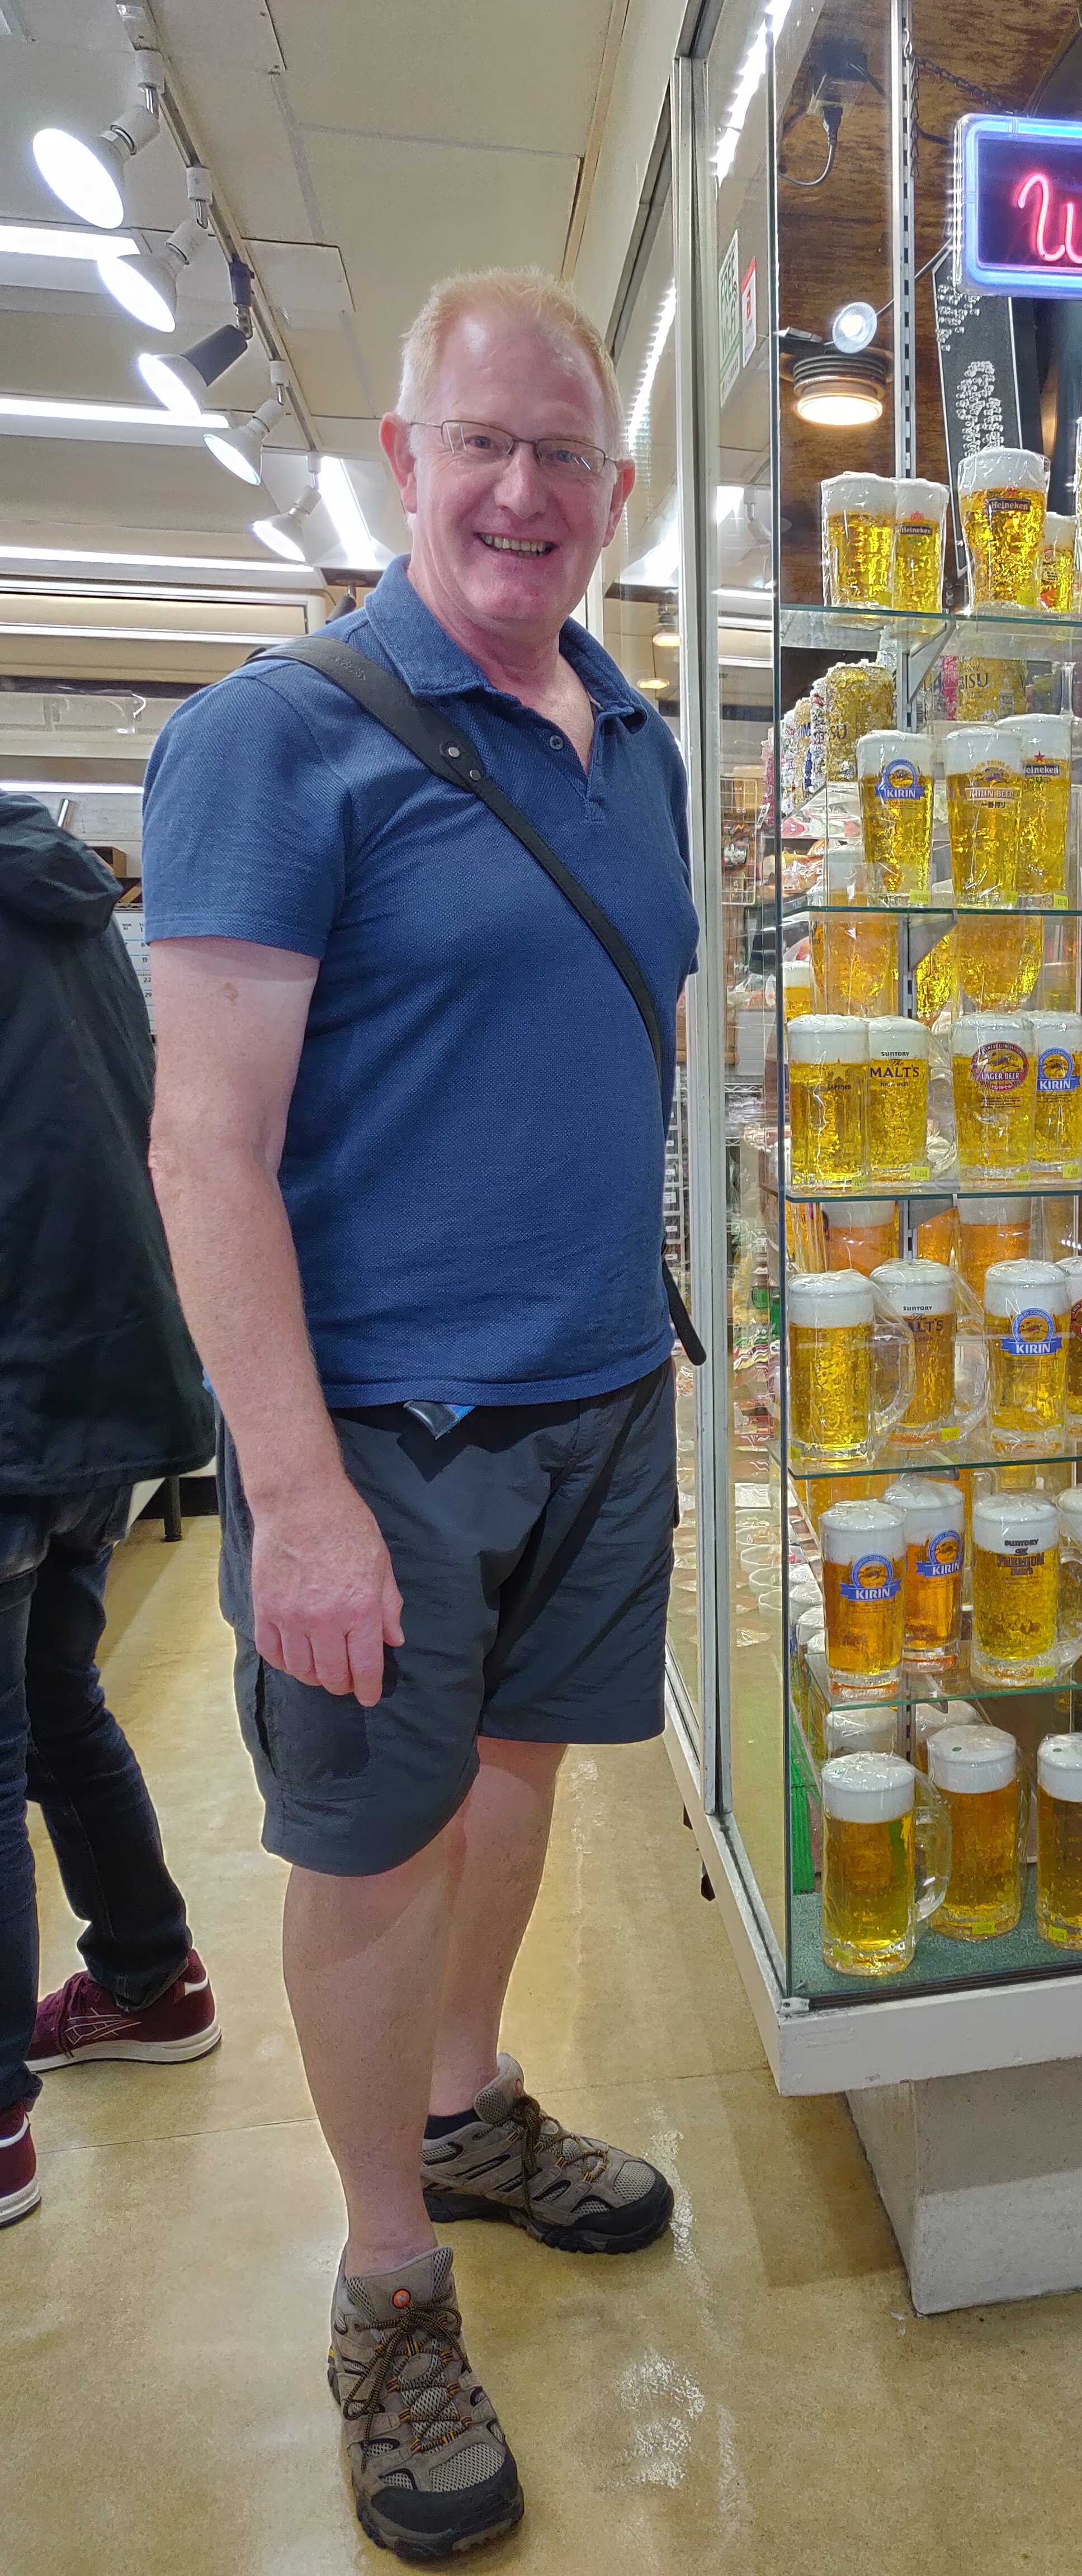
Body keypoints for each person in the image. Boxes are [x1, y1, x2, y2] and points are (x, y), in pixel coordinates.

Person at [142, 269, 699, 2562]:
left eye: (565, 455)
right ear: (403, 458)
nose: (523, 492)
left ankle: (469, 2113)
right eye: (484, 443)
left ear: (616, 489)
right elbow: (205, 1147)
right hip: (380, 1435)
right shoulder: (277, 739)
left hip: (599, 1400)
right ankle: (387, 2286)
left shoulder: (637, 739)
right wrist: (292, 1498)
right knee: (367, 1854)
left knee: (517, 1778)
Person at [0, 792, 220, 2234]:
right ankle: (149, 1975)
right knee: (55, 1700)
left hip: (17, 1383)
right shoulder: (65, 903)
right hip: (106, 1380)